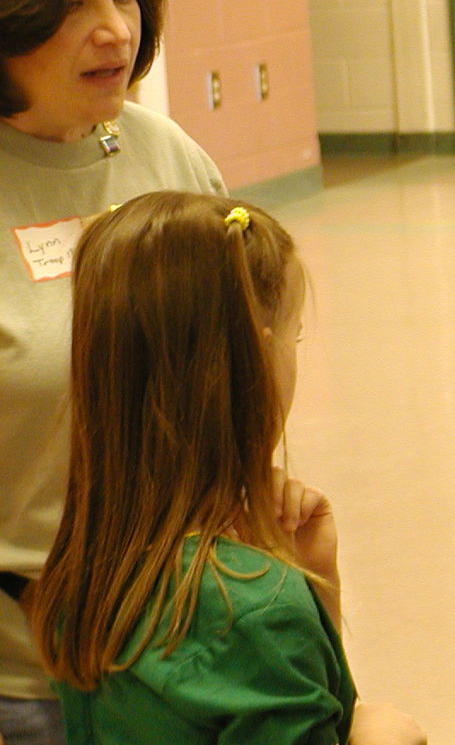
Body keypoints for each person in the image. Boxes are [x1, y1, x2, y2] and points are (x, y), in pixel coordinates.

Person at [26, 192, 424, 745]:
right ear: (258, 361)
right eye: (295, 336)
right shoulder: (255, 609)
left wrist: (318, 585)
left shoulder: (83, 576)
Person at [0, 0, 225, 745]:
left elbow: (240, 366)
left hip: (182, 647)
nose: (112, 31)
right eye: (72, 2)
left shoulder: (165, 155)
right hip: (25, 676)